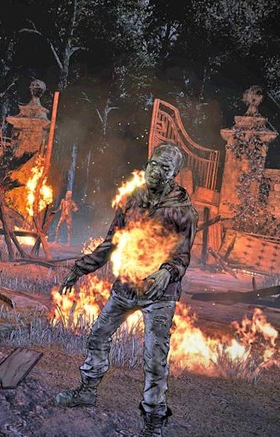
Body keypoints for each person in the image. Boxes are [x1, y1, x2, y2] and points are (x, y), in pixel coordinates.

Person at [54, 143, 198, 437]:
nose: (156, 171)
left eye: (164, 168)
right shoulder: (132, 200)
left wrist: (166, 272)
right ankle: (87, 391)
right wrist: (79, 269)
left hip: (159, 295)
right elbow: (111, 243)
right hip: (127, 286)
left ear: (174, 174)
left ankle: (153, 419)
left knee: (155, 358)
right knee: (98, 334)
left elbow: (182, 257)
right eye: (153, 164)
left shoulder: (183, 211)